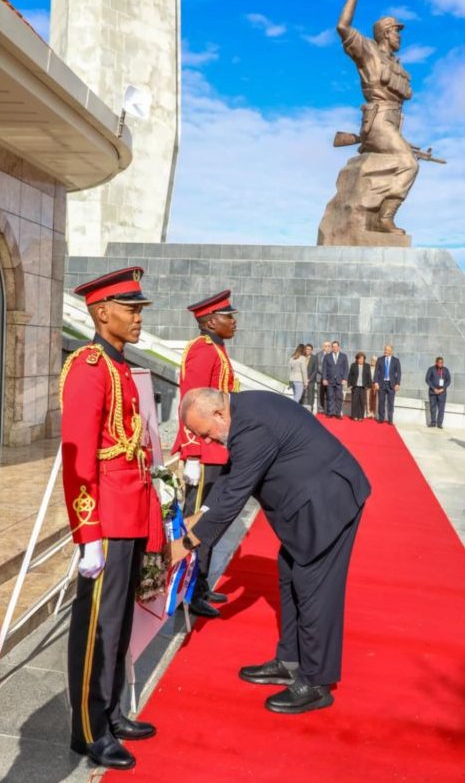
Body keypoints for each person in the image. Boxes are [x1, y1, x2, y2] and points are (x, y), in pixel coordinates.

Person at [167, 388, 370, 714]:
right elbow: (231, 477)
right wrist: (198, 516)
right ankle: (289, 660)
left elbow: (234, 496)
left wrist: (186, 543)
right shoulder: (241, 412)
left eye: (205, 433)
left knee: (314, 588)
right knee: (290, 574)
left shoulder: (251, 425)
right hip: (309, 504)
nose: (206, 441)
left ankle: (316, 682)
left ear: (218, 415)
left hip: (328, 503)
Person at [61, 267, 163, 771]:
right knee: (97, 628)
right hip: (106, 518)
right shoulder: (89, 366)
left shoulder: (119, 365)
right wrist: (88, 536)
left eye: (140, 309)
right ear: (103, 313)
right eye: (131, 309)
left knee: (118, 624)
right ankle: (88, 727)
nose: (139, 318)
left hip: (132, 513)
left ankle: (111, 709)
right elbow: (79, 460)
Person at [171, 290, 239, 618]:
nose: (234, 321)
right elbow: (191, 402)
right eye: (228, 316)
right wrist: (193, 452)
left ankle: (200, 585)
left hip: (219, 451)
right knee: (197, 522)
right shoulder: (203, 351)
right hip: (205, 452)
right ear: (211, 321)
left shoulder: (217, 349)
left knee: (211, 521)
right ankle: (187, 590)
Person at [336, 0, 419, 234]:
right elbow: (342, 26)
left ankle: (377, 209)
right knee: (408, 164)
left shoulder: (397, 64)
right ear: (385, 33)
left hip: (392, 122)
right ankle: (384, 218)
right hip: (378, 119)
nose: (399, 37)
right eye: (396, 31)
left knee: (406, 158)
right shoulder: (368, 52)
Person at [374, 345, 401, 424]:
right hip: (381, 384)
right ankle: (381, 419)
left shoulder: (396, 360)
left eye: (388, 350)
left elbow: (398, 373)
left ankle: (390, 420)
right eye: (385, 349)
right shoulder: (380, 359)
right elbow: (376, 372)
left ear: (391, 351)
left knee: (390, 403)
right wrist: (375, 382)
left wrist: (398, 384)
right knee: (381, 402)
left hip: (391, 384)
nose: (386, 351)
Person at [322, 340, 349, 418]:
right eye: (333, 347)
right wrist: (324, 379)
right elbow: (324, 368)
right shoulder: (327, 356)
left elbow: (346, 368)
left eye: (336, 346)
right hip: (329, 380)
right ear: (331, 347)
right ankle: (330, 413)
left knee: (339, 397)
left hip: (339, 381)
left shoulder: (344, 356)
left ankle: (338, 413)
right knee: (330, 397)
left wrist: (345, 379)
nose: (334, 348)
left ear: (339, 347)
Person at [425, 357, 451, 429]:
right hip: (433, 392)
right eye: (439, 362)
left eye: (442, 362)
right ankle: (433, 422)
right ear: (436, 362)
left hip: (442, 393)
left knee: (441, 408)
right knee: (433, 408)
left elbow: (448, 381)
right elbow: (427, 379)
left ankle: (439, 423)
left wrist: (443, 388)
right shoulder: (431, 369)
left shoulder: (445, 370)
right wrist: (434, 388)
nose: (440, 364)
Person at [347, 352, 372, 420]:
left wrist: (369, 385)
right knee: (355, 401)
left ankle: (360, 416)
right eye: (359, 359)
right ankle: (354, 416)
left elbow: (369, 376)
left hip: (363, 387)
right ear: (357, 359)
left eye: (362, 359)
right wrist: (349, 384)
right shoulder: (353, 365)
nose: (361, 360)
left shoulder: (367, 366)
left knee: (361, 402)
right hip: (355, 386)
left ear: (364, 359)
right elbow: (350, 376)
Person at [302, 343, 318, 411]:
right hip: (302, 380)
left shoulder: (314, 358)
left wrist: (309, 379)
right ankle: (300, 408)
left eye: (309, 349)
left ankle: (310, 409)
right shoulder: (301, 357)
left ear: (311, 350)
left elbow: (315, 370)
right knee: (301, 394)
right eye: (307, 349)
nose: (308, 350)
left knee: (310, 395)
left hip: (311, 380)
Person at [316, 341, 331, 413]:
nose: (327, 347)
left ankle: (329, 409)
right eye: (325, 346)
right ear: (323, 347)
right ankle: (320, 409)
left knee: (329, 395)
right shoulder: (318, 355)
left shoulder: (332, 355)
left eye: (328, 346)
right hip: (320, 378)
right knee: (320, 395)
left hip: (329, 379)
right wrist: (323, 373)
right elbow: (317, 366)